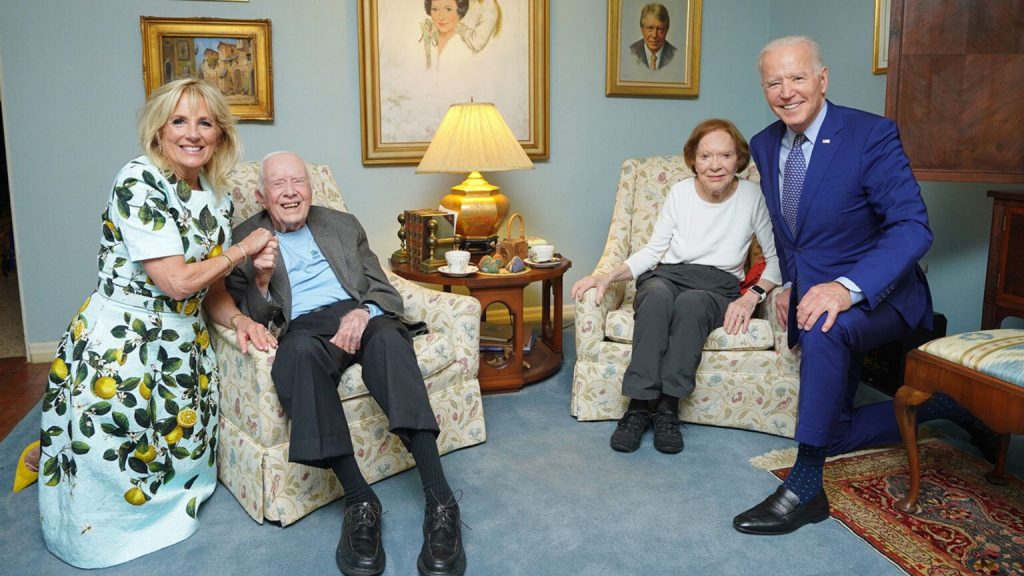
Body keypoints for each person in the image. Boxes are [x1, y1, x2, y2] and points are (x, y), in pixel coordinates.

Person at [732, 36, 997, 536]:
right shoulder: (765, 145)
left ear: (823, 79)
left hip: (883, 294)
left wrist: (845, 288)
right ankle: (939, 407)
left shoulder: (870, 135)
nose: (786, 91)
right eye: (774, 82)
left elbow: (913, 226)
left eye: (798, 78)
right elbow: (792, 234)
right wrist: (787, 284)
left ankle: (805, 488)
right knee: (832, 430)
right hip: (813, 295)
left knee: (826, 328)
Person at [36, 78, 276, 568]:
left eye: (205, 122)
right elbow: (177, 282)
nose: (193, 133)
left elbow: (211, 291)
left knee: (172, 451)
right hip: (124, 344)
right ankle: (93, 537)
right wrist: (243, 249)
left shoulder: (218, 195)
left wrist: (239, 321)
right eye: (179, 121)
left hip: (183, 346)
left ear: (220, 135)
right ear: (159, 130)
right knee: (110, 450)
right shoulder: (137, 180)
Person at [225, 151, 466, 576]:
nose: (290, 192)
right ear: (262, 196)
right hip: (302, 328)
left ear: (310, 187)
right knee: (295, 355)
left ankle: (440, 498)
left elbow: (382, 288)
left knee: (392, 340)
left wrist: (364, 311)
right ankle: (360, 500)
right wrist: (261, 281)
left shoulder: (341, 224)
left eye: (297, 182)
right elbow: (258, 321)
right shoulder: (245, 240)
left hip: (358, 313)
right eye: (278, 185)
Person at [571, 119, 781, 455]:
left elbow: (775, 258)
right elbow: (654, 251)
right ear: (693, 160)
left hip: (717, 284)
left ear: (738, 159)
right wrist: (607, 276)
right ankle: (639, 406)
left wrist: (752, 296)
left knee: (692, 305)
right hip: (668, 273)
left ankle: (668, 408)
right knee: (653, 296)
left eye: (725, 156)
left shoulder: (752, 196)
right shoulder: (681, 192)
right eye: (706, 156)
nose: (715, 165)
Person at [420, 0, 473, 71]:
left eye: (448, 9)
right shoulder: (426, 38)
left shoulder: (469, 44)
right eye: (435, 9)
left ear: (460, 10)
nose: (441, 17)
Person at [629, 3, 677, 72]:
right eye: (650, 28)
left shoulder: (675, 55)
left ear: (666, 31)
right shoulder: (631, 52)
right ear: (642, 30)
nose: (654, 35)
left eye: (660, 29)